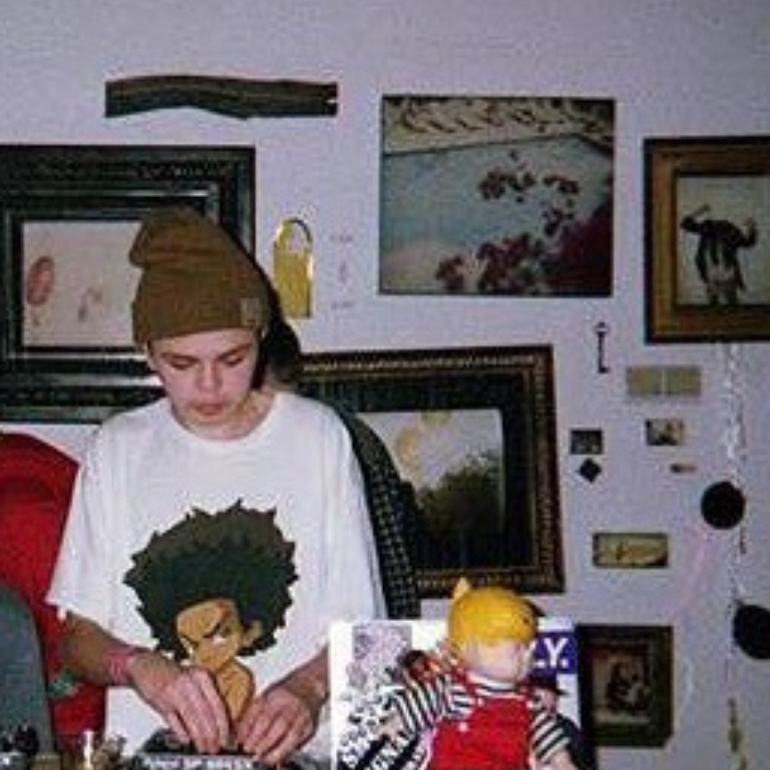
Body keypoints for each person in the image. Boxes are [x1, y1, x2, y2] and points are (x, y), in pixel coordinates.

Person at [47, 207, 385, 768]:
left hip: (301, 759)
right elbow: (76, 639)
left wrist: (306, 689)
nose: (209, 385)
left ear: (261, 338)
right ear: (147, 352)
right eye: (181, 363)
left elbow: (369, 638)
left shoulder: (318, 439)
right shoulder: (117, 449)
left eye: (232, 359)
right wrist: (140, 666)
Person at [680, 203, 758, 305]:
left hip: (726, 275)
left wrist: (752, 228)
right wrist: (699, 211)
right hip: (713, 275)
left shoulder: (730, 230)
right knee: (716, 302)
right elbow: (685, 224)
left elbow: (748, 243)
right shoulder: (709, 227)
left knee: (730, 301)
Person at [527, 671, 592, 770]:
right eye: (533, 693)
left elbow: (581, 764)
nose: (540, 699)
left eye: (547, 692)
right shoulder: (519, 725)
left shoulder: (567, 728)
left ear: (555, 698)